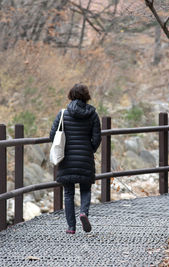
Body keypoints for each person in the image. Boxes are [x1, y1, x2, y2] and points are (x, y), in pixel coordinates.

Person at [49, 84, 101, 234]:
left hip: (67, 158)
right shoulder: (92, 114)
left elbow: (52, 135)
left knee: (68, 193)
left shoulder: (63, 114)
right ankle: (83, 212)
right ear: (87, 97)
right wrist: (89, 149)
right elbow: (97, 138)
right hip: (85, 158)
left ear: (70, 95)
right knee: (85, 189)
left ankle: (71, 227)